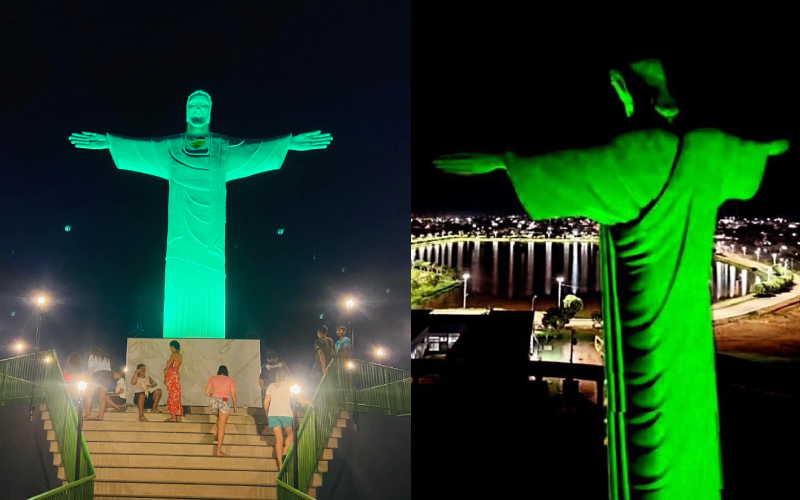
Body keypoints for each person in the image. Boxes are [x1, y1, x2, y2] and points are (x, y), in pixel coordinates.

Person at [264, 370, 313, 468]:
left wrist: (267, 413)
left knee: (278, 439)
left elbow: (266, 402)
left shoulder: (270, 386)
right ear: (286, 377)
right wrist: (309, 402)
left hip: (273, 414)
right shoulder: (288, 385)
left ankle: (280, 464)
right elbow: (297, 398)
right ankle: (285, 451)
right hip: (286, 413)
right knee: (292, 433)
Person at [206, 365, 237, 457]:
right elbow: (233, 395)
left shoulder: (212, 378)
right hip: (224, 401)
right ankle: (219, 450)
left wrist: (213, 396)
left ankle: (215, 430)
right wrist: (235, 407)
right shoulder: (230, 380)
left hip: (213, 401)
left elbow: (207, 393)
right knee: (222, 426)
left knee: (220, 418)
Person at [85, 347, 115, 421]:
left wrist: (89, 382)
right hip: (108, 376)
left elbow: (91, 371)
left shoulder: (92, 356)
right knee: (102, 397)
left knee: (89, 395)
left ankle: (87, 415)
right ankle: (101, 416)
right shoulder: (106, 358)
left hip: (98, 375)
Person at [164, 340, 183, 422]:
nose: (170, 349)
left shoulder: (173, 355)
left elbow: (167, 368)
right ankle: (177, 417)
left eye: (170, 347)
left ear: (173, 347)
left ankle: (173, 417)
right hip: (176, 376)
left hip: (171, 376)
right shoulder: (180, 356)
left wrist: (165, 376)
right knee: (176, 395)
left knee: (172, 395)